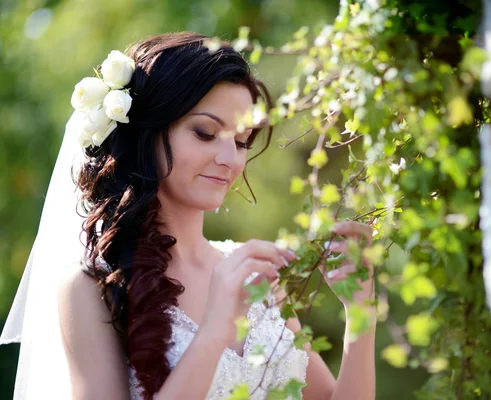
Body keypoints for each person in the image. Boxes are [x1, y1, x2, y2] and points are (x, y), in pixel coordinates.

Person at [0, 32, 376, 400]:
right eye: (205, 133)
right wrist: (215, 330)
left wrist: (360, 314)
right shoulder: (91, 286)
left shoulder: (250, 271)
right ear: (146, 133)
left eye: (242, 141)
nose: (231, 160)